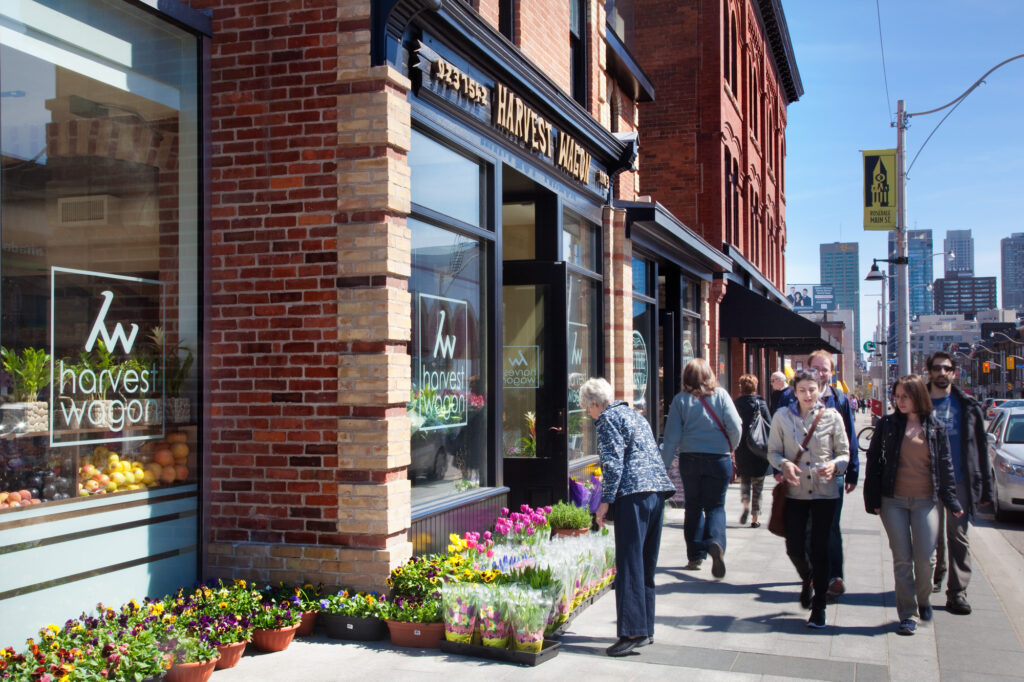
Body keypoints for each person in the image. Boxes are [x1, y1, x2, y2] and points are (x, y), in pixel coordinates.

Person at [864, 375, 964, 635]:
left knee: (925, 560)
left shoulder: (935, 426)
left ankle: (923, 600)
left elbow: (945, 465)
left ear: (918, 396)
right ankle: (907, 613)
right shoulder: (887, 424)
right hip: (892, 502)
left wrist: (951, 499)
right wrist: (872, 499)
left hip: (926, 502)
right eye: (896, 396)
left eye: (904, 396)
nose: (899, 401)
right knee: (902, 560)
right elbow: (874, 460)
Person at [583, 377, 675, 657]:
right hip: (656, 491)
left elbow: (613, 464)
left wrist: (604, 503)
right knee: (646, 563)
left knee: (629, 562)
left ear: (596, 404)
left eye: (588, 408)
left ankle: (632, 632)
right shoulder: (634, 415)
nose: (589, 414)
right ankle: (645, 628)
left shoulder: (608, 420)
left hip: (632, 495)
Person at [768, 370, 849, 628]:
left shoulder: (832, 417)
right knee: (794, 546)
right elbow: (773, 452)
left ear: (820, 389)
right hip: (795, 491)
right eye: (802, 389)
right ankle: (809, 579)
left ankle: (820, 607)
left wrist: (835, 466)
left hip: (825, 492)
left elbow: (844, 453)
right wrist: (784, 465)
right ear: (794, 391)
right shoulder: (782, 417)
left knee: (820, 547)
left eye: (812, 389)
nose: (808, 395)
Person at [777, 350, 858, 599]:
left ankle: (833, 576)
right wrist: (779, 468)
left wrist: (851, 470)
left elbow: (849, 438)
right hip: (799, 475)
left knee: (830, 527)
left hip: (830, 475)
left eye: (825, 369)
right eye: (817, 368)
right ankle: (812, 575)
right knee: (804, 532)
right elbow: (777, 439)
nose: (821, 373)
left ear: (831, 372)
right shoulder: (789, 399)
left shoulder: (838, 399)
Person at [661, 358, 742, 579]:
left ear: (685, 378)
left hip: (691, 459)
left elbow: (671, 438)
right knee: (716, 506)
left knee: (694, 507)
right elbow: (736, 426)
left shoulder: (680, 401)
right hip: (719, 459)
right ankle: (715, 541)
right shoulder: (722, 396)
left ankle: (695, 556)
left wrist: (663, 466)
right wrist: (729, 447)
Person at [926, 350, 993, 614]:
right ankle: (935, 575)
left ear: (953, 372)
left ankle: (957, 592)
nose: (942, 373)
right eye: (937, 368)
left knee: (958, 536)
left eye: (947, 369)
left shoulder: (967, 406)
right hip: (927, 480)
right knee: (930, 537)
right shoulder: (918, 402)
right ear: (929, 372)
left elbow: (980, 448)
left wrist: (985, 486)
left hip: (960, 481)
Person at [733, 373, 772, 528]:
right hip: (759, 449)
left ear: (741, 388)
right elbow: (769, 425)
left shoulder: (736, 404)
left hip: (742, 449)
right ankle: (755, 517)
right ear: (755, 387)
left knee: (745, 482)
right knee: (758, 486)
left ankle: (745, 507)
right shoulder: (760, 404)